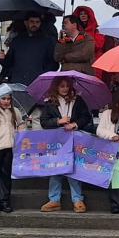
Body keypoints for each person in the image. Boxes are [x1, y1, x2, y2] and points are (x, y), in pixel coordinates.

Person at [39, 77, 92, 213]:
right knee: (56, 168)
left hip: (74, 139)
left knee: (73, 169)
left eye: (67, 86)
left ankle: (77, 199)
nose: (65, 88)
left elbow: (86, 116)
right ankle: (54, 199)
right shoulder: (50, 102)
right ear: (56, 87)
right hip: (57, 141)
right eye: (62, 86)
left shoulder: (78, 100)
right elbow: (44, 122)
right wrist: (58, 121)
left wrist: (75, 124)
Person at [0, 11, 56, 86]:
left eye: (37, 22)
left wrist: (43, 75)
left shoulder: (47, 41)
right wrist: (2, 59)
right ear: (26, 22)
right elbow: (9, 61)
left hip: (38, 82)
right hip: (18, 81)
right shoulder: (17, 40)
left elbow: (53, 63)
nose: (34, 24)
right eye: (31, 21)